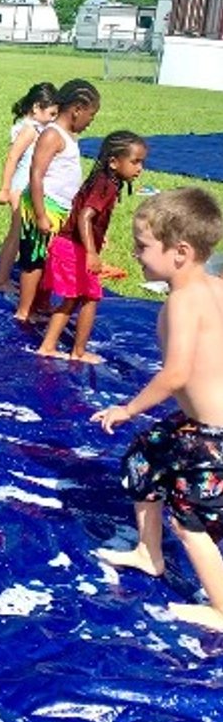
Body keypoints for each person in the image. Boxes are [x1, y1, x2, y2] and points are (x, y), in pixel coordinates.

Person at [91, 188, 223, 633]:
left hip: (213, 434)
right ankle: (150, 554)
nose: (136, 254)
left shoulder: (183, 301)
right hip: (197, 423)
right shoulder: (215, 287)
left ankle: (222, 609)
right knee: (143, 460)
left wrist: (129, 407)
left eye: (144, 245)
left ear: (180, 252)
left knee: (189, 520)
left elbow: (176, 374)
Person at [37, 131, 146, 363]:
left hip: (68, 245)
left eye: (142, 162)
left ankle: (48, 346)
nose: (140, 168)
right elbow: (85, 216)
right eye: (135, 161)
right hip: (73, 249)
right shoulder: (105, 185)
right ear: (114, 162)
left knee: (73, 298)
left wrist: (97, 237)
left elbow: (85, 215)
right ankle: (77, 351)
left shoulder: (104, 181)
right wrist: (91, 252)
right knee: (90, 297)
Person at [14, 79, 101, 322]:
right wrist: (41, 214)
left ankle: (39, 304)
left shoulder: (68, 136)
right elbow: (36, 174)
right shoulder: (52, 135)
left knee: (47, 260)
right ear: (77, 110)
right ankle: (24, 310)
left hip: (59, 208)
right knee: (34, 259)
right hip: (45, 207)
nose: (90, 121)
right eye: (91, 116)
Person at [0, 82, 58, 293]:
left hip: (28, 189)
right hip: (20, 188)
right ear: (36, 108)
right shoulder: (29, 130)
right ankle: (1, 280)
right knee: (16, 236)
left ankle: (8, 277)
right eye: (52, 113)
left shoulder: (39, 128)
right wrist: (5, 188)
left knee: (21, 236)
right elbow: (12, 157)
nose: (54, 118)